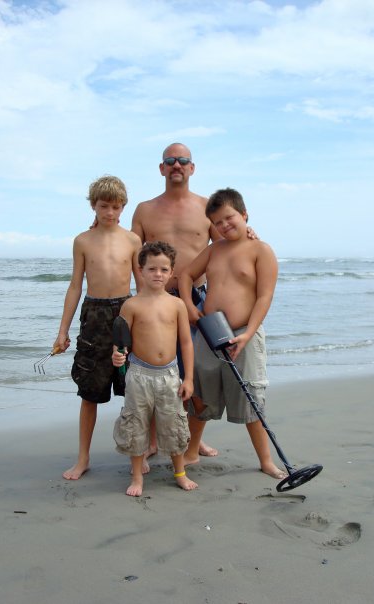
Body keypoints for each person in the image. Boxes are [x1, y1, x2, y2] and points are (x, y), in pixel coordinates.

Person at [179, 188, 288, 481]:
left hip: (244, 334)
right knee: (201, 394)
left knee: (251, 397)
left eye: (229, 218)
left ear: (244, 214)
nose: (225, 226)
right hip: (210, 331)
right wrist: (190, 306)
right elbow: (186, 275)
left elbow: (264, 297)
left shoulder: (260, 249)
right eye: (218, 222)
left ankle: (266, 460)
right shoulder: (214, 249)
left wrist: (248, 335)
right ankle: (191, 452)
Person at [131, 142, 221, 464]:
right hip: (157, 298)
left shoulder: (208, 206)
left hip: (197, 299)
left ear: (192, 168)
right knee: (158, 369)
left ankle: (193, 440)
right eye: (170, 161)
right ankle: (156, 439)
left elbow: (225, 243)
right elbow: (133, 252)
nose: (177, 165)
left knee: (197, 371)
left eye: (183, 161)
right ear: (161, 168)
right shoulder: (144, 209)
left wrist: (247, 231)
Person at [54, 175, 141, 480]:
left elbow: (142, 286)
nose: (110, 213)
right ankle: (83, 458)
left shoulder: (131, 239)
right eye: (104, 206)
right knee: (89, 391)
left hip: (125, 312)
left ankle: (137, 453)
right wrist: (63, 331)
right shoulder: (82, 240)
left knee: (134, 388)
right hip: (93, 314)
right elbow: (75, 286)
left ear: (123, 207)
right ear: (93, 205)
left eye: (116, 207)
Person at [112, 241, 198, 497]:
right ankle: (137, 476)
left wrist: (189, 378)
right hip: (139, 374)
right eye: (152, 269)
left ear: (172, 272)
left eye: (163, 269)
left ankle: (180, 473)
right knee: (135, 424)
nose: (157, 274)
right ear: (140, 270)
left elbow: (186, 342)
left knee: (174, 424)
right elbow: (120, 342)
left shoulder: (177, 304)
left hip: (170, 375)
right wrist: (117, 357)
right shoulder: (131, 305)